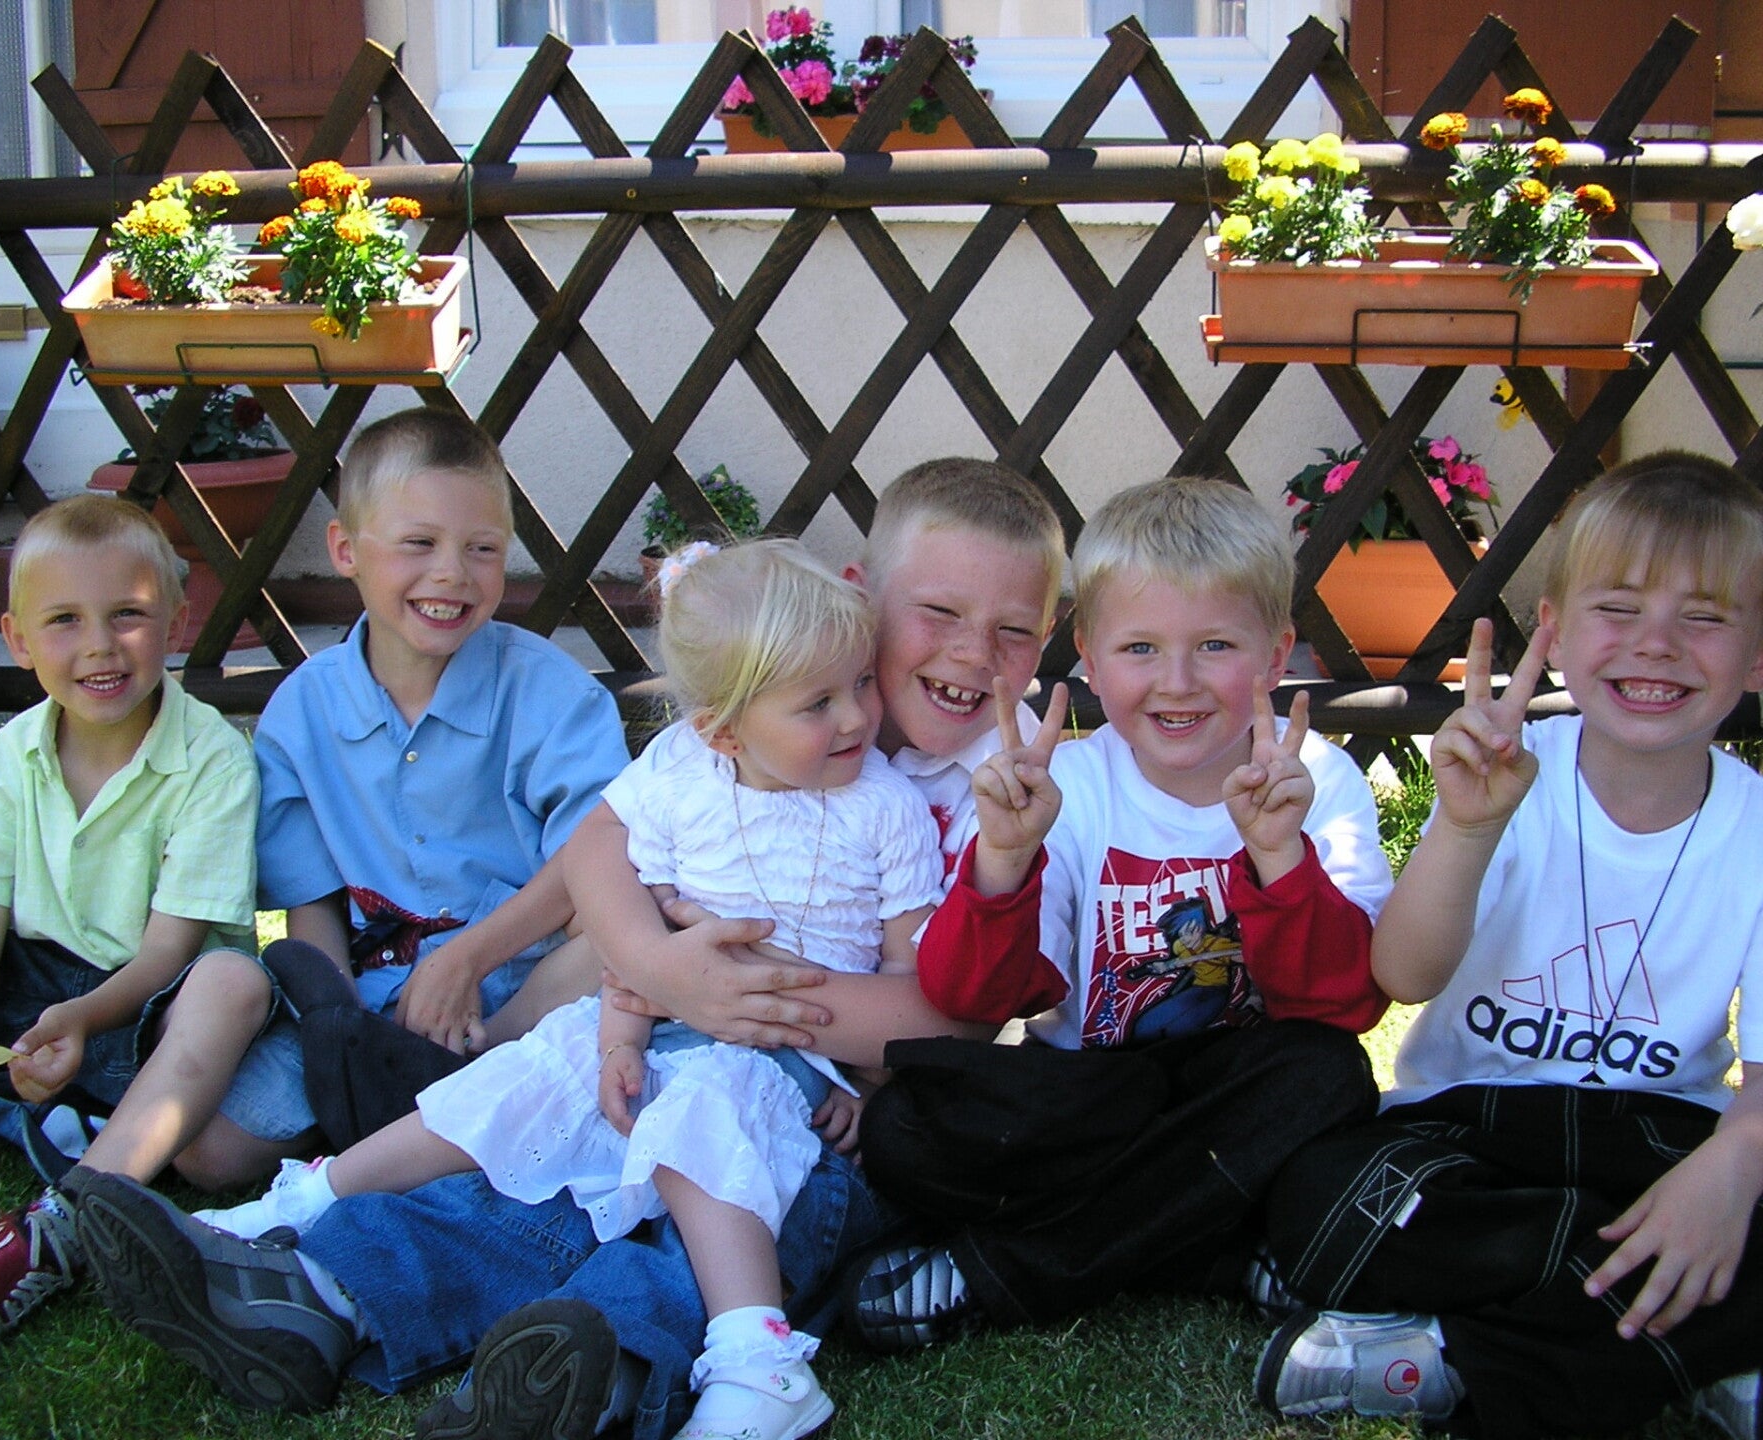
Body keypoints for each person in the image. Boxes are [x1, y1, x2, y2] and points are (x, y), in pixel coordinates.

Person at [61, 457, 1067, 1438]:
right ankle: (326, 1289)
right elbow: (601, 844)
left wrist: (737, 1000)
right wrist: (658, 971)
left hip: (836, 1102)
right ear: (861, 595)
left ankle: (610, 1371)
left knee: (717, 1212)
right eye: (938, 613)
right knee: (533, 1163)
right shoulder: (754, 709)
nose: (972, 654)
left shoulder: (1007, 793)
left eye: (1015, 631)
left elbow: (957, 1013)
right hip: (669, 1035)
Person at [193, 539, 946, 1440]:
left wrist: (870, 1086)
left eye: (860, 684)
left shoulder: (886, 809)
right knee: (522, 1106)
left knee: (689, 1180)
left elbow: (908, 976)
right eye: (821, 701)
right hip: (658, 1034)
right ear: (722, 730)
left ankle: (734, 1364)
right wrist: (623, 1030)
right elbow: (626, 888)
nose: (858, 715)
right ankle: (315, 1247)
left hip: (782, 1081)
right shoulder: (684, 771)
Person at [1253, 453, 1763, 1440]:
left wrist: (1735, 1165)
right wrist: (1466, 825)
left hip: (1658, 1145)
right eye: (1620, 609)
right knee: (1319, 1193)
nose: (1657, 646)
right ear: (1557, 633)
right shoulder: (1504, 776)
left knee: (1736, 1201)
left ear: (1757, 654)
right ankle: (1691, 1341)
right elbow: (1403, 976)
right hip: (1468, 1132)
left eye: (1703, 618)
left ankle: (1445, 1356)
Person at [843, 474, 1395, 1352]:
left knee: (1329, 1080)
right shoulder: (1067, 785)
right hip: (1091, 1099)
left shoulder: (1316, 781)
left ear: (1277, 652)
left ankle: (1005, 1271)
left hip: (1236, 1093)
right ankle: (1213, 1251)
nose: (1177, 682)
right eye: (1140, 648)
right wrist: (1003, 863)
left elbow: (1345, 1004)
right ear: (1090, 659)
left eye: (1215, 645)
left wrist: (1281, 859)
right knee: (906, 1129)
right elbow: (978, 998)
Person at [0, 494, 267, 1361]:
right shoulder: (15, 754)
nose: (100, 645)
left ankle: (68, 1213)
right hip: (24, 994)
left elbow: (168, 955)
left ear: (177, 620)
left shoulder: (215, 760)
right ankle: (12, 1106)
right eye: (65, 620)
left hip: (146, 1024)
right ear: (19, 638)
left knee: (235, 987)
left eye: (128, 615)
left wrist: (81, 1019)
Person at [234, 405, 630, 1145]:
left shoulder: (550, 693)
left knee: (622, 937)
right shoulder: (303, 714)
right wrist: (340, 1028)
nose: (452, 573)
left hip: (528, 990)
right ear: (346, 549)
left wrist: (467, 961)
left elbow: (596, 859)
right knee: (216, 1152)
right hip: (377, 997)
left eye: (483, 548)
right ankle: (415, 1103)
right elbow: (310, 906)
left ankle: (473, 1085)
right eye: (419, 543)